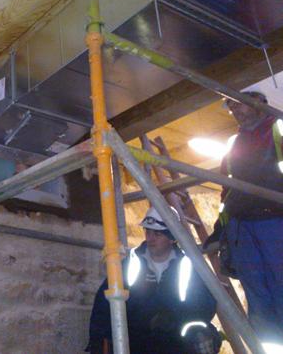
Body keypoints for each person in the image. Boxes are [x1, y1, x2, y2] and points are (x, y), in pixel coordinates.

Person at [205, 90, 283, 345]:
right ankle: (270, 347)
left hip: (276, 218)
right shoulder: (233, 143)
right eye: (231, 106)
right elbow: (226, 190)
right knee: (255, 292)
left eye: (239, 104)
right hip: (241, 225)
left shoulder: (279, 127)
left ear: (259, 103)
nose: (235, 110)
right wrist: (220, 229)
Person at [87, 207, 219, 354]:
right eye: (148, 232)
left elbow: (205, 305)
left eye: (157, 234)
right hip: (136, 341)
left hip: (175, 341)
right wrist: (97, 342)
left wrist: (175, 318)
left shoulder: (188, 267)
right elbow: (102, 305)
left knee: (206, 335)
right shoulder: (129, 265)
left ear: (171, 237)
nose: (150, 238)